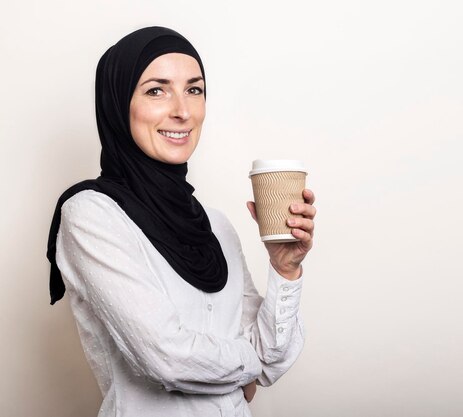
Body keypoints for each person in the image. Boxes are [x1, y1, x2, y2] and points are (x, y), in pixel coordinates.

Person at [46, 26, 316, 417]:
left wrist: (285, 268)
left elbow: (274, 354)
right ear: (118, 103)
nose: (183, 111)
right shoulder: (92, 215)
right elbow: (165, 357)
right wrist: (250, 366)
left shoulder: (215, 226)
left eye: (194, 89)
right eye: (156, 90)